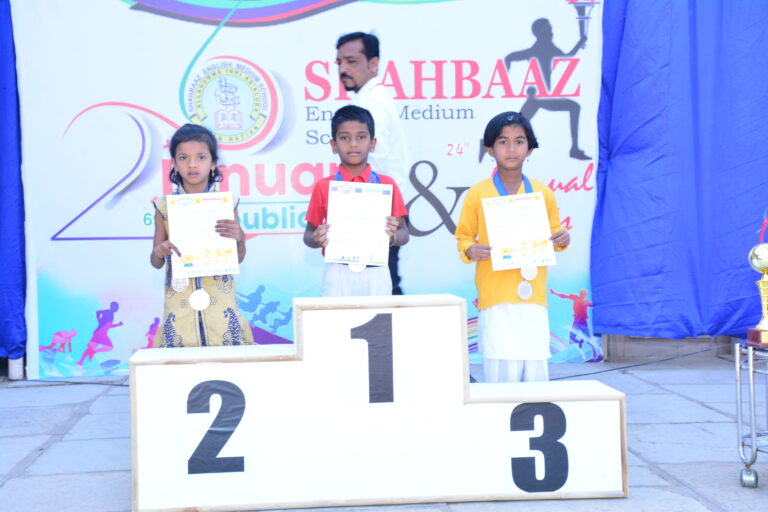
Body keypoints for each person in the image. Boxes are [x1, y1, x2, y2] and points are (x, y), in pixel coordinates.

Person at [455, 112, 570, 383]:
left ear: (529, 149)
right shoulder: (478, 193)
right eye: (503, 142)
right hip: (495, 293)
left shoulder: (542, 193)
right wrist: (471, 249)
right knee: (499, 361)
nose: (511, 148)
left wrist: (561, 239)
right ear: (489, 149)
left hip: (533, 296)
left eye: (519, 141)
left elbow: (554, 232)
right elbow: (463, 237)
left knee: (534, 362)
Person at [150, 123, 254, 347]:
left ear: (213, 162)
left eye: (201, 157)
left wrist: (240, 239)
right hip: (180, 306)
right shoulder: (164, 206)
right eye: (183, 158)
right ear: (175, 165)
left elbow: (238, 258)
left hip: (220, 307)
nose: (192, 164)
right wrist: (159, 251)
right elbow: (156, 262)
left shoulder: (227, 204)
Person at [304, 105, 409, 297]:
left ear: (373, 143)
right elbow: (308, 236)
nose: (353, 144)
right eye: (344, 138)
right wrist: (318, 238)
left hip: (376, 270)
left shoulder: (386, 185)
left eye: (361, 137)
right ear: (334, 145)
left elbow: (404, 233)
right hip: (338, 271)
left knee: (377, 326)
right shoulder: (324, 186)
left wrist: (392, 236)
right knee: (336, 324)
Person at [336, 31, 410, 294]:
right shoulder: (371, 99)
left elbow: (371, 167)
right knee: (379, 287)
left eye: (352, 61)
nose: (343, 69)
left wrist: (358, 216)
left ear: (374, 63)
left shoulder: (371, 104)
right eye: (339, 62)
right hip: (377, 207)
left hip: (373, 210)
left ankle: (394, 336)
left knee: (378, 290)